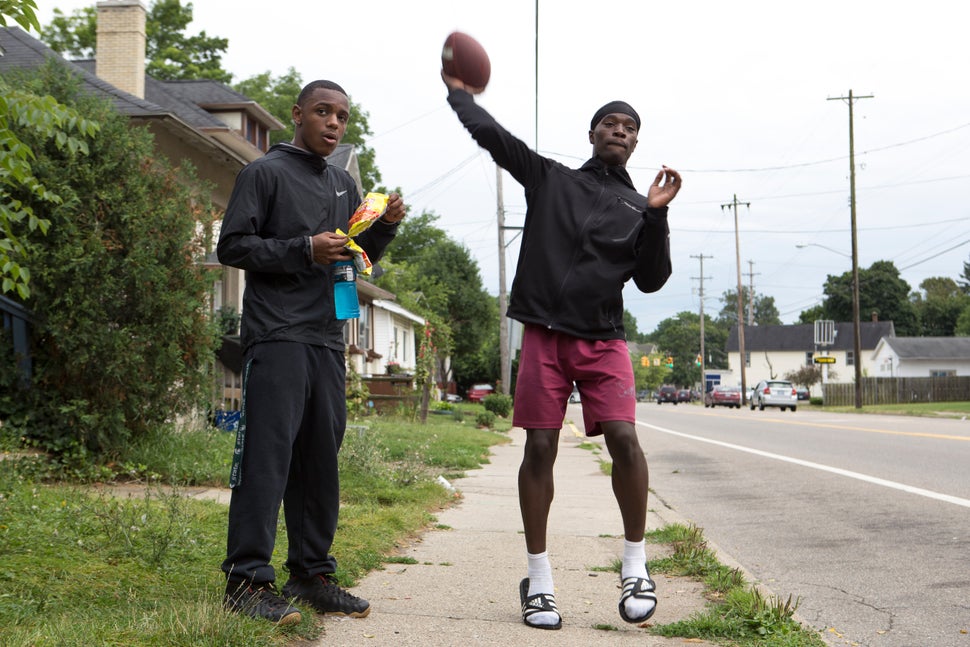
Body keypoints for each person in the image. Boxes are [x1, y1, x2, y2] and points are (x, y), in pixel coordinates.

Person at [441, 72, 681, 630]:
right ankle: (539, 579)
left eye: (630, 127)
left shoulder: (640, 207)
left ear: (637, 142)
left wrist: (658, 215)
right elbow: (494, 137)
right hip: (545, 336)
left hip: (603, 339)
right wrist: (459, 95)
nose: (619, 131)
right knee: (541, 449)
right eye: (610, 123)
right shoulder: (551, 180)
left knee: (624, 438)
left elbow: (651, 281)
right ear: (593, 132)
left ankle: (635, 565)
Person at [217, 79, 406, 624]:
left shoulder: (345, 185)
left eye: (342, 117)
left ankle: (311, 575)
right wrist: (302, 248)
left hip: (326, 338)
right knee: (266, 461)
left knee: (321, 462)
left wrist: (385, 230)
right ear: (298, 114)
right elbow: (233, 244)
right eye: (323, 112)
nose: (333, 123)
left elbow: (350, 257)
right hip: (276, 336)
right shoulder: (264, 173)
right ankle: (246, 583)